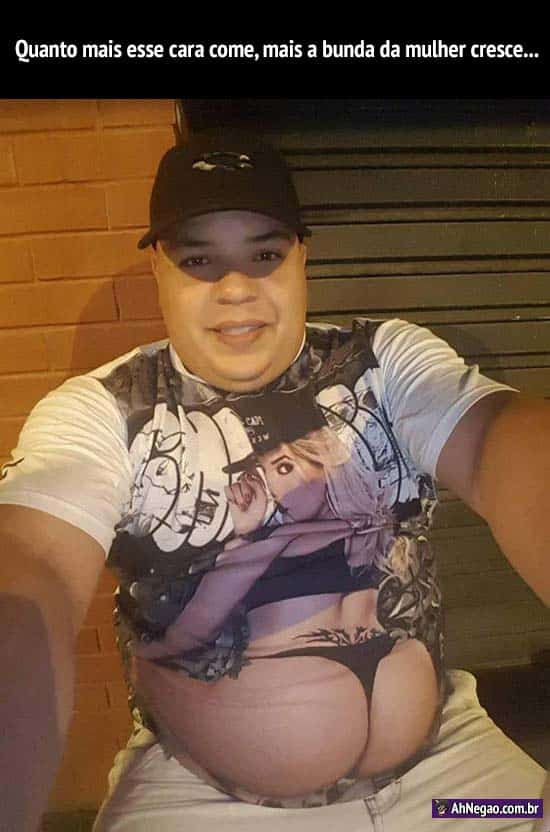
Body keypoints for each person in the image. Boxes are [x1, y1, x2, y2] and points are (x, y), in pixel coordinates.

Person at [0, 128, 548, 832]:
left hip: (457, 795)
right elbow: (33, 571)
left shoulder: (383, 361)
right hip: (207, 805)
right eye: (199, 259)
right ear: (158, 270)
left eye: (264, 255)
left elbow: (501, 445)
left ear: (302, 259)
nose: (235, 289)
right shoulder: (105, 410)